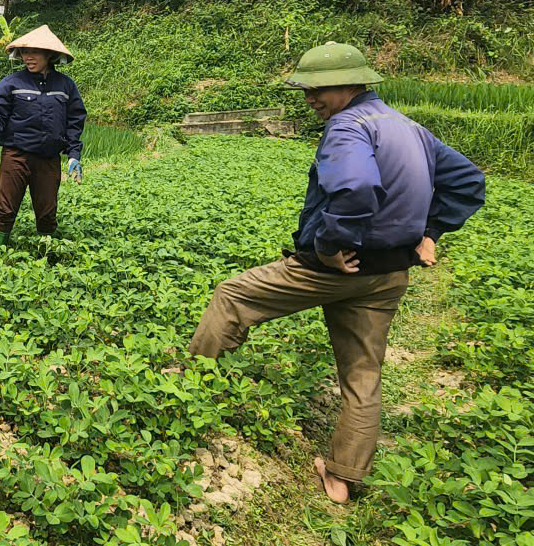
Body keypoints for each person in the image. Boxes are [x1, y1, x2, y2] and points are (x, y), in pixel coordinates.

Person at [188, 42, 486, 503]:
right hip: (388, 274)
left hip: (337, 268)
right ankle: (343, 478)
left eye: (318, 89)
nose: (310, 98)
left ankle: (183, 396)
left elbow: (356, 187)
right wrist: (431, 233)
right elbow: (468, 182)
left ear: (350, 84)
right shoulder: (408, 126)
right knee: (363, 372)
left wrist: (328, 246)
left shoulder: (348, 127)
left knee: (232, 297)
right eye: (307, 89)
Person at [0, 25, 86, 256]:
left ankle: (46, 256)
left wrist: (74, 154)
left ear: (49, 55)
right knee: (6, 208)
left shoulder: (65, 86)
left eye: (35, 52)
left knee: (47, 211)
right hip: (16, 155)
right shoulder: (12, 83)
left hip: (48, 158)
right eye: (25, 52)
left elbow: (75, 120)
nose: (28, 57)